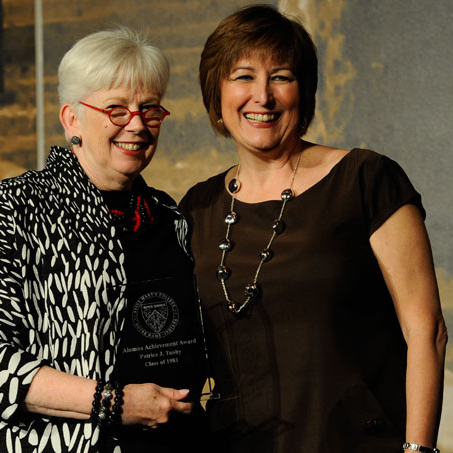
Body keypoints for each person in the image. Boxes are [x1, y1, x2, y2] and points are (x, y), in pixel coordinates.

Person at [179, 5, 447, 453]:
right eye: (243, 76)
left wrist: (418, 450)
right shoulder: (197, 208)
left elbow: (427, 331)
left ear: (304, 92)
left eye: (281, 76)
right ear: (216, 95)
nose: (262, 96)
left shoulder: (366, 179)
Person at [0, 27, 205, 452]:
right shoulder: (14, 206)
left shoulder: (170, 216)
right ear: (72, 119)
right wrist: (114, 404)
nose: (138, 125)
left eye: (149, 109)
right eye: (116, 110)